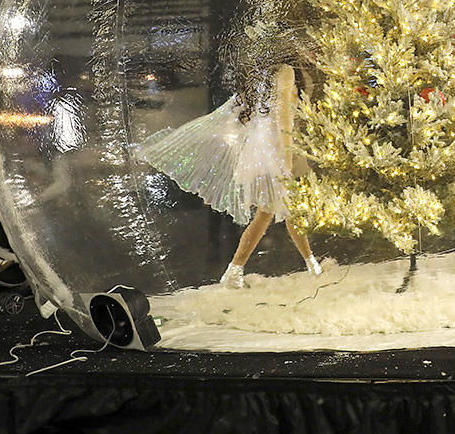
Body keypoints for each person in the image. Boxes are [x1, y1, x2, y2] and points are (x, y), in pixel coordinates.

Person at [137, 62, 325, 289]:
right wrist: (285, 158)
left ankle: (306, 264)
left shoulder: (263, 72)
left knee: (278, 211)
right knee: (273, 212)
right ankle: (246, 269)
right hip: (276, 152)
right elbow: (283, 117)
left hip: (265, 151)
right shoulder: (283, 71)